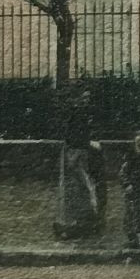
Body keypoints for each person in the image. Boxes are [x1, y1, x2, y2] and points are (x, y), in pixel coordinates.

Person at [53, 82, 107, 240]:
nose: (84, 100)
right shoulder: (76, 114)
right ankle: (81, 223)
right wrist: (87, 142)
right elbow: (72, 136)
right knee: (81, 188)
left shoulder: (87, 113)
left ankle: (88, 222)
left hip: (87, 155)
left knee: (88, 187)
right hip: (79, 155)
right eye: (82, 97)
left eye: (87, 97)